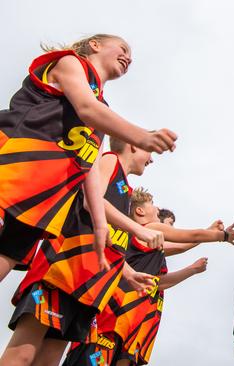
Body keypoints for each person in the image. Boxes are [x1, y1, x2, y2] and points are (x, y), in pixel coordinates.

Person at [0, 34, 177, 283]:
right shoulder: (70, 63)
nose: (128, 58)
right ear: (95, 45)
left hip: (42, 201)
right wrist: (141, 137)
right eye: (123, 49)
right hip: (12, 168)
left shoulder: (101, 109)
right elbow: (86, 107)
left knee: (8, 254)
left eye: (131, 56)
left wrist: (99, 221)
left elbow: (89, 167)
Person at [3, 136, 166, 366]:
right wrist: (138, 229)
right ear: (133, 144)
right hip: (64, 269)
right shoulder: (110, 161)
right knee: (23, 354)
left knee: (48, 361)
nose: (151, 159)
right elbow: (92, 200)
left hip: (88, 285)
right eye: (150, 150)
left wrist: (128, 272)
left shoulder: (126, 192)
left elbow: (109, 241)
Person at [64, 190, 234, 366]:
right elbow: (188, 237)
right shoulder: (149, 229)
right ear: (140, 211)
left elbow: (182, 245)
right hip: (117, 312)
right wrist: (221, 236)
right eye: (153, 205)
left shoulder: (151, 244)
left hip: (132, 317)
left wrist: (207, 234)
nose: (157, 208)